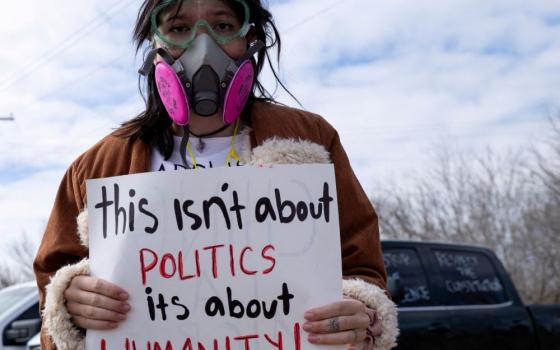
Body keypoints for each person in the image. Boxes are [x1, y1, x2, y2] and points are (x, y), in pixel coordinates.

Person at [33, 1, 398, 350]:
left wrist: (361, 314)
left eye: (223, 26)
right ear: (154, 44)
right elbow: (51, 287)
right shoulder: (97, 167)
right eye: (178, 28)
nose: (202, 46)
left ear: (250, 38)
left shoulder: (312, 140)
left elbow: (360, 268)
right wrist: (71, 309)